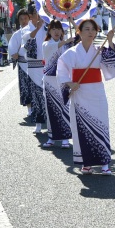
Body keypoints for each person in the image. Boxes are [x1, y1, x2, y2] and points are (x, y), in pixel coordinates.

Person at [57, 18, 115, 175]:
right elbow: (61, 68)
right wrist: (69, 83)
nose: (91, 32)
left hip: (96, 92)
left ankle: (105, 163)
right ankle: (86, 163)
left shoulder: (99, 50)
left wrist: (111, 41)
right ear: (79, 32)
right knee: (81, 127)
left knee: (101, 125)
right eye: (86, 29)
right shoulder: (71, 52)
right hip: (79, 93)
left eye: (93, 29)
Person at [41, 20, 76, 149]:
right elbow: (54, 48)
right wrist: (67, 42)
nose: (56, 31)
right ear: (49, 31)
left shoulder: (67, 46)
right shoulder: (46, 44)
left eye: (58, 29)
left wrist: (71, 20)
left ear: (62, 31)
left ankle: (65, 138)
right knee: (51, 110)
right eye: (53, 29)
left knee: (65, 109)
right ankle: (51, 137)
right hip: (50, 81)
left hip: (63, 81)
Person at [22, 6, 47, 134]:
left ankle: (51, 122)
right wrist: (37, 28)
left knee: (48, 95)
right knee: (37, 96)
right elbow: (26, 40)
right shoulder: (27, 29)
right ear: (31, 15)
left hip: (48, 65)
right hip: (33, 66)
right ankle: (38, 123)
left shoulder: (48, 26)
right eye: (38, 13)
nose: (40, 15)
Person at [8, 9, 32, 116]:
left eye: (25, 18)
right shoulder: (17, 34)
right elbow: (12, 49)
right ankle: (29, 109)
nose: (23, 21)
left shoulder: (35, 31)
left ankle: (39, 107)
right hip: (23, 64)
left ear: (29, 18)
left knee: (36, 86)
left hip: (35, 64)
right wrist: (14, 54)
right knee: (25, 86)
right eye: (21, 19)